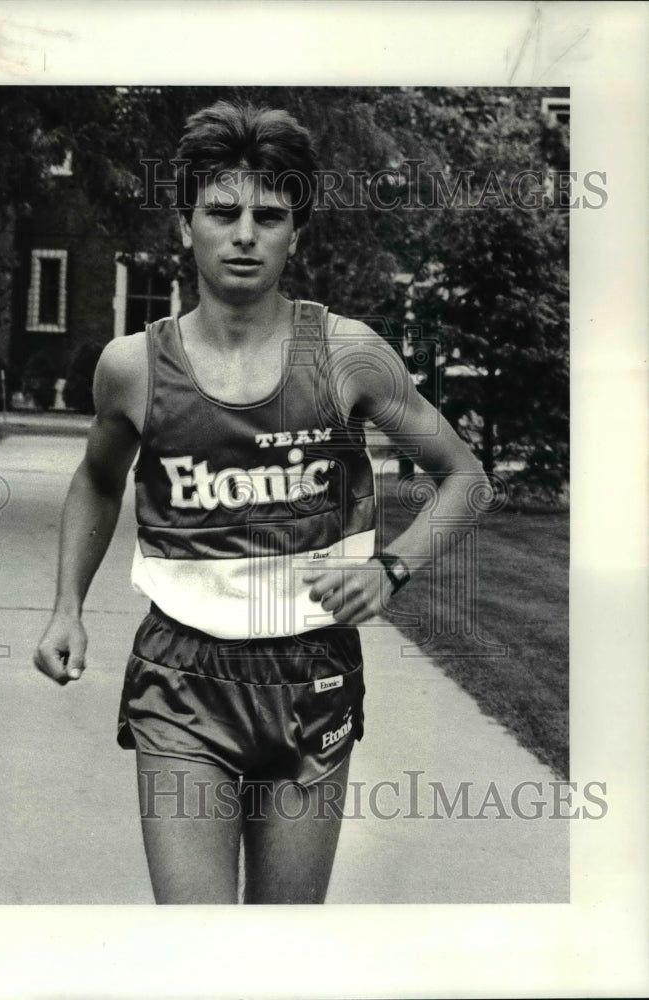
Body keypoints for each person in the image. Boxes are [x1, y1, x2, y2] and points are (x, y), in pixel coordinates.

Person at [34, 101, 487, 904]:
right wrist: (65, 607)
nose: (244, 233)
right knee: (198, 950)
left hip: (310, 674)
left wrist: (390, 569)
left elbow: (465, 476)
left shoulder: (346, 356)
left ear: (293, 234)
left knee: (282, 951)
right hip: (179, 678)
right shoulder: (132, 366)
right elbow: (98, 479)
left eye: (269, 215)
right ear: (186, 226)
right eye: (222, 211)